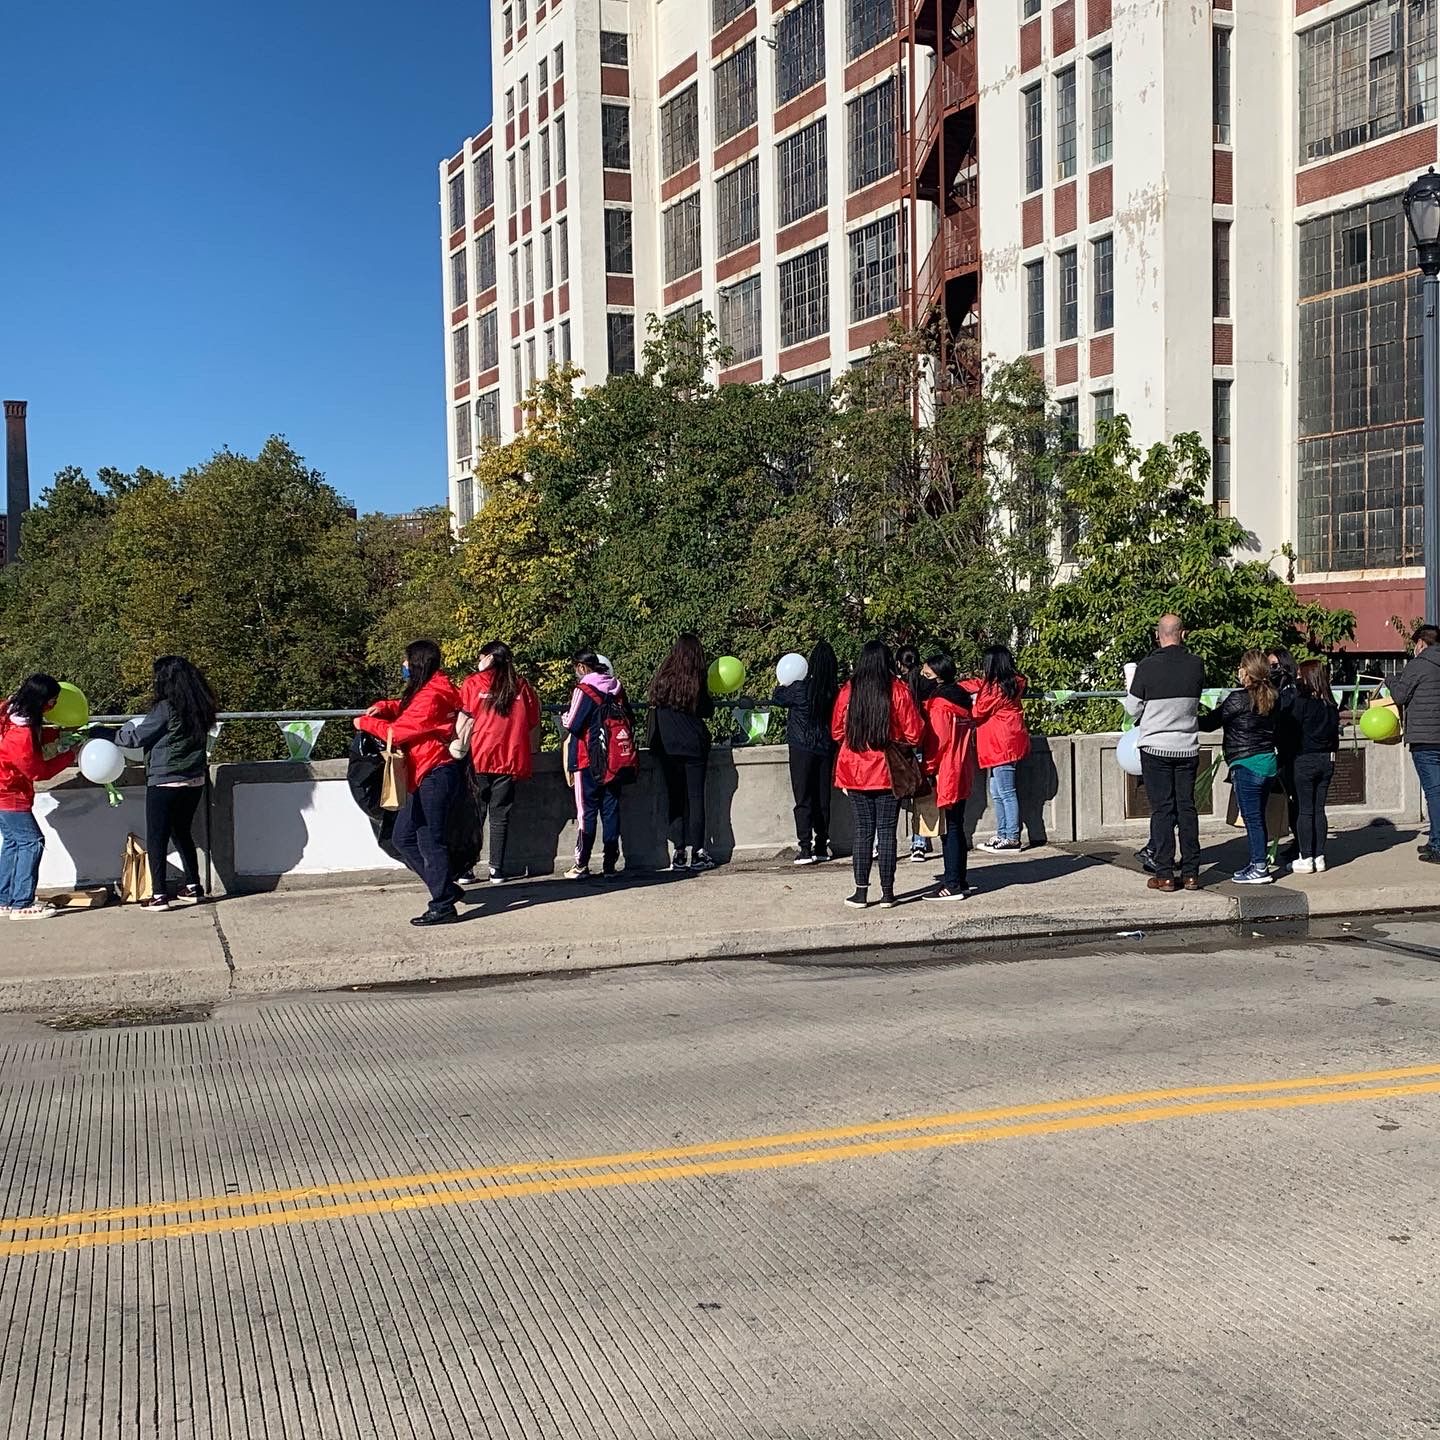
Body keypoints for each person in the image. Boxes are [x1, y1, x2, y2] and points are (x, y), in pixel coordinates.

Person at [355, 640, 465, 926]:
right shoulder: (433, 689)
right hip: (423, 772)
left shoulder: (433, 695)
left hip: (433, 771)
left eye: (406, 661)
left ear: (418, 663)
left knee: (430, 841)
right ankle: (444, 888)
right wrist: (384, 707)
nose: (403, 666)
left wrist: (365, 723)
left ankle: (442, 904)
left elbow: (398, 732)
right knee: (402, 837)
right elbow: (409, 710)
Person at [116, 656, 218, 912]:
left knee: (157, 837)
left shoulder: (165, 707)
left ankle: (159, 894)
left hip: (164, 780)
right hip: (194, 780)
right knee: (182, 832)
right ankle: (194, 886)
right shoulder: (201, 706)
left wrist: (108, 734)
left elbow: (136, 738)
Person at [831, 640, 923, 909]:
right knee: (886, 831)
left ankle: (860, 892)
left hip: (854, 769)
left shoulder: (849, 690)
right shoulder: (898, 690)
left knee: (863, 831)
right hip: (888, 770)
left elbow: (836, 731)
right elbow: (915, 733)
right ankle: (887, 892)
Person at [1123, 614, 1207, 892]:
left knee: (1162, 810)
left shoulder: (1146, 667)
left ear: (1157, 636)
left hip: (1155, 747)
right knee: (1186, 808)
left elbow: (1132, 709)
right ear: (1184, 634)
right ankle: (1192, 873)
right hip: (1187, 747)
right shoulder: (1196, 664)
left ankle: (1165, 873)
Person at [458, 641, 541, 884]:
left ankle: (467, 869)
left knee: (475, 815)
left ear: (489, 658)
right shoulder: (521, 685)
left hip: (479, 755)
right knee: (500, 815)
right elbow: (533, 719)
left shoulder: (473, 683)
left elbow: (462, 717)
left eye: (480, 656)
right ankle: (497, 869)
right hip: (510, 757)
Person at [0, 674, 80, 921]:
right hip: (10, 793)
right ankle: (22, 903)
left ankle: (4, 899)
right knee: (32, 842)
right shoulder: (20, 735)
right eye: (52, 701)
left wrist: (56, 735)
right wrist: (69, 756)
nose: (54, 706)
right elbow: (37, 771)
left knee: (13, 843)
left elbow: (36, 737)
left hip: (5, 790)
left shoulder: (7, 712)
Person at [1201, 650, 1279, 886]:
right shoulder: (1273, 696)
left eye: (1240, 667)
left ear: (1246, 671)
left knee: (1252, 819)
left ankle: (1259, 867)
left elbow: (1209, 723)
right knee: (1259, 817)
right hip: (1268, 763)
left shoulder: (1237, 699)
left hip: (1246, 764)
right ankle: (1257, 863)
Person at [563, 648, 636, 879]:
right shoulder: (617, 688)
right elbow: (630, 718)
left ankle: (581, 864)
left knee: (586, 813)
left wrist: (564, 717)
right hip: (614, 759)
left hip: (588, 759)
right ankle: (610, 864)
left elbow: (573, 723)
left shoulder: (583, 689)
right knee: (611, 810)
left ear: (581, 667)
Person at [646, 634, 716, 872]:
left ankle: (679, 852)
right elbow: (707, 710)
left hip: (668, 747)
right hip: (694, 746)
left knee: (675, 800)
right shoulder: (696, 680)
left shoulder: (662, 679)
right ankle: (698, 852)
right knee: (696, 799)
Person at [771, 640, 839, 865]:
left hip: (801, 747)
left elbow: (778, 696)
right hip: (825, 746)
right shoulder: (833, 691)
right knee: (823, 797)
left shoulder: (800, 688)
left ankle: (805, 847)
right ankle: (821, 844)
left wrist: (783, 684)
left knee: (803, 797)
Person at [919, 655, 976, 899]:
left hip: (946, 770)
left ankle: (952, 883)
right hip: (962, 767)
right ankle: (959, 880)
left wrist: (927, 769)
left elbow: (937, 742)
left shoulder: (940, 705)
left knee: (949, 828)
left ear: (939, 677)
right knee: (957, 826)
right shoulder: (962, 699)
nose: (922, 678)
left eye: (927, 675)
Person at [965, 645, 1031, 851]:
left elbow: (978, 711)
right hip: (1008, 741)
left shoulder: (995, 688)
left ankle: (1011, 837)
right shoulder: (1013, 683)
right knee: (997, 791)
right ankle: (1003, 833)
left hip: (1000, 744)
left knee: (1006, 792)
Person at [1387, 624, 1440, 864]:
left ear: (1420, 643)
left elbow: (1400, 696)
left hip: (1425, 738)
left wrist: (1391, 680)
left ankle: (1438, 845)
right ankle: (1434, 839)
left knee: (1434, 793)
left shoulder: (1418, 664)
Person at [1287, 659, 1341, 874]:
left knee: (1305, 810)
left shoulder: (1301, 703)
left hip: (1305, 758)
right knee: (1319, 809)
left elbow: (1291, 731)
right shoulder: (1331, 704)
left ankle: (1306, 856)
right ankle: (1319, 856)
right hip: (1327, 758)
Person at [1269, 646, 1301, 851]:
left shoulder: (1292, 691)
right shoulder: (1275, 691)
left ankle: (1302, 844)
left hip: (1293, 753)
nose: (1271, 671)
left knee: (1296, 800)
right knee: (1287, 801)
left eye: (1274, 666)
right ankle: (1298, 841)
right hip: (1279, 752)